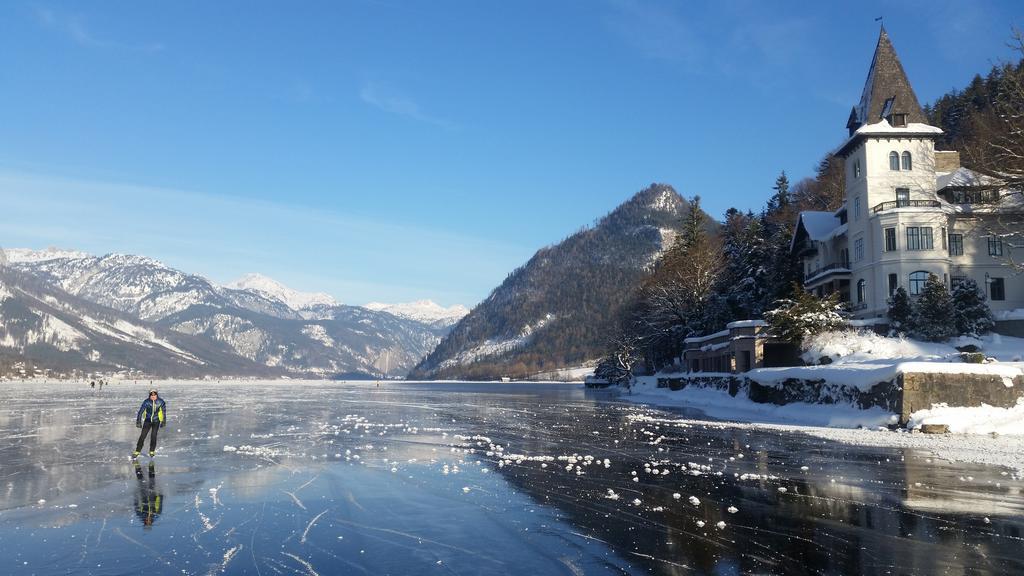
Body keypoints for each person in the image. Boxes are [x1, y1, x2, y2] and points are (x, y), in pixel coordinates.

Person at [133, 389, 167, 459]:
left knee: (153, 436)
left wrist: (164, 421)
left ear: (157, 395)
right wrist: (138, 421)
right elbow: (141, 411)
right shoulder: (146, 402)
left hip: (156, 421)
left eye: (155, 395)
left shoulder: (161, 402)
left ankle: (152, 451)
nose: (153, 396)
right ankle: (137, 451)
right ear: (150, 395)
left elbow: (163, 412)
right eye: (152, 395)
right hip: (147, 421)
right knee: (142, 436)